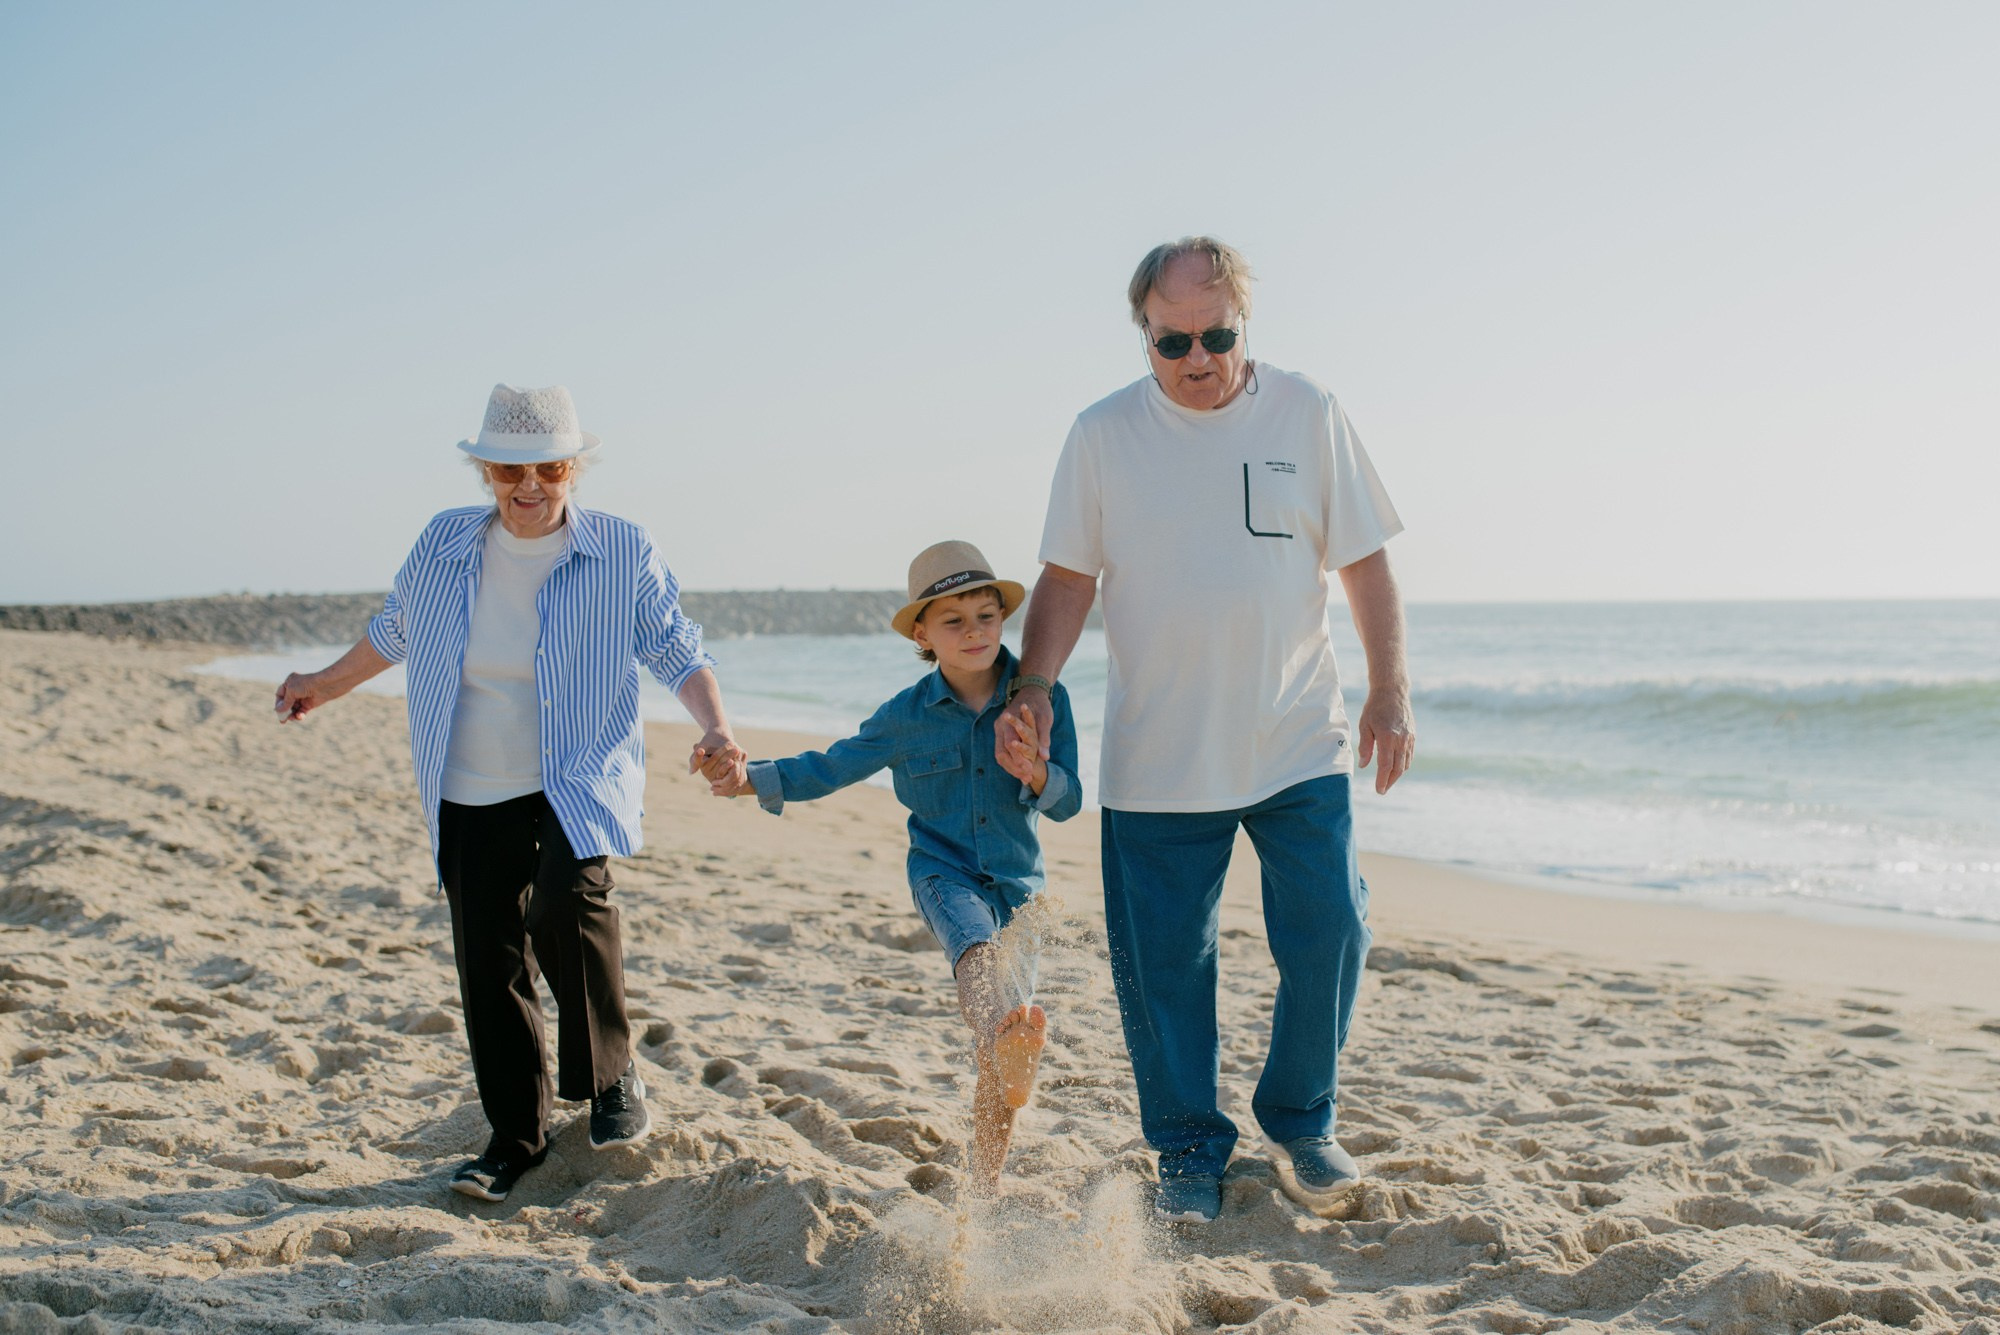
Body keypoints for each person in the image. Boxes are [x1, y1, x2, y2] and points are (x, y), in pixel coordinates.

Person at [1000, 238, 1415, 1224]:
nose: (1196, 358)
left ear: (1244, 324)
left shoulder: (1307, 412)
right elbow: (1067, 577)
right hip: (1157, 756)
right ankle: (1188, 1145)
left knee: (1330, 930)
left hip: (1294, 737)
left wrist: (1387, 691)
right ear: (1142, 334)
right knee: (1165, 967)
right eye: (1172, 341)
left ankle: (1301, 1119)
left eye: (1216, 336)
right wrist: (1028, 691)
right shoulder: (1101, 434)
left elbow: (1362, 562)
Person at [275, 383, 743, 1202]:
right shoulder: (447, 542)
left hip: (575, 771)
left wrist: (716, 727)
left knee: (569, 901)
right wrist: (323, 683)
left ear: (575, 468)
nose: (529, 486)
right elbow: (397, 628)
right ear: (485, 470)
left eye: (549, 467)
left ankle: (612, 1075)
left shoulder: (621, 549)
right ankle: (515, 1137)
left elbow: (675, 645)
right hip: (470, 777)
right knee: (488, 958)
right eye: (508, 469)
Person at [708, 541, 1082, 1192]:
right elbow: (830, 766)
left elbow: (1070, 802)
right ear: (922, 632)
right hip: (944, 872)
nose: (975, 632)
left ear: (1004, 619)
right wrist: (750, 779)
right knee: (976, 958)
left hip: (1021, 890)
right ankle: (1001, 1026)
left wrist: (1040, 772)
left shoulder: (1040, 701)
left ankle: (984, 1185)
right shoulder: (904, 718)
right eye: (954, 620)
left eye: (987, 615)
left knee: (999, 1063)